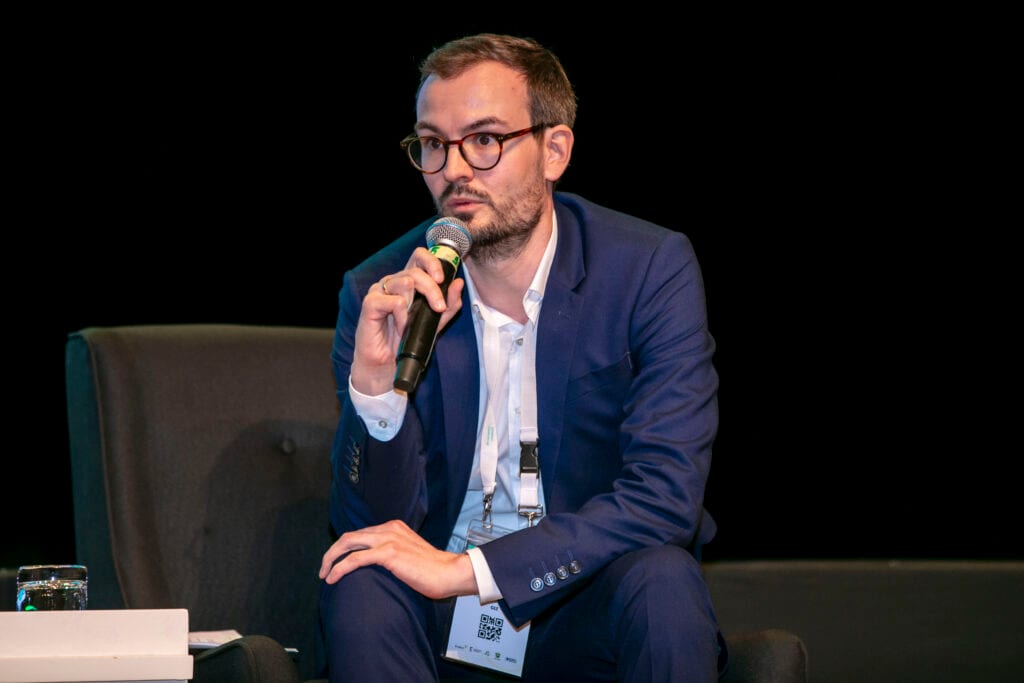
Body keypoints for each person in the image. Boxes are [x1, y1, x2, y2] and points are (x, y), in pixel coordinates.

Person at [319, 33, 726, 682]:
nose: (453, 169)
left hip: (576, 601)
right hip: (438, 623)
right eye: (432, 143)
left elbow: (666, 497)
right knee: (361, 578)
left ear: (554, 149)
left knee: (663, 578)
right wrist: (376, 392)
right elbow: (368, 526)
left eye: (483, 140)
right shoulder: (383, 288)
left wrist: (475, 569)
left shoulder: (647, 270)